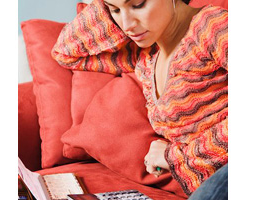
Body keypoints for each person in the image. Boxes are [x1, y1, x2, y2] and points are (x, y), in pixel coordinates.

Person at [52, 0, 228, 197]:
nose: (127, 25)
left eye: (138, 5)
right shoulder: (145, 55)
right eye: (115, 10)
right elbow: (65, 53)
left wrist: (176, 157)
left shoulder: (214, 26)